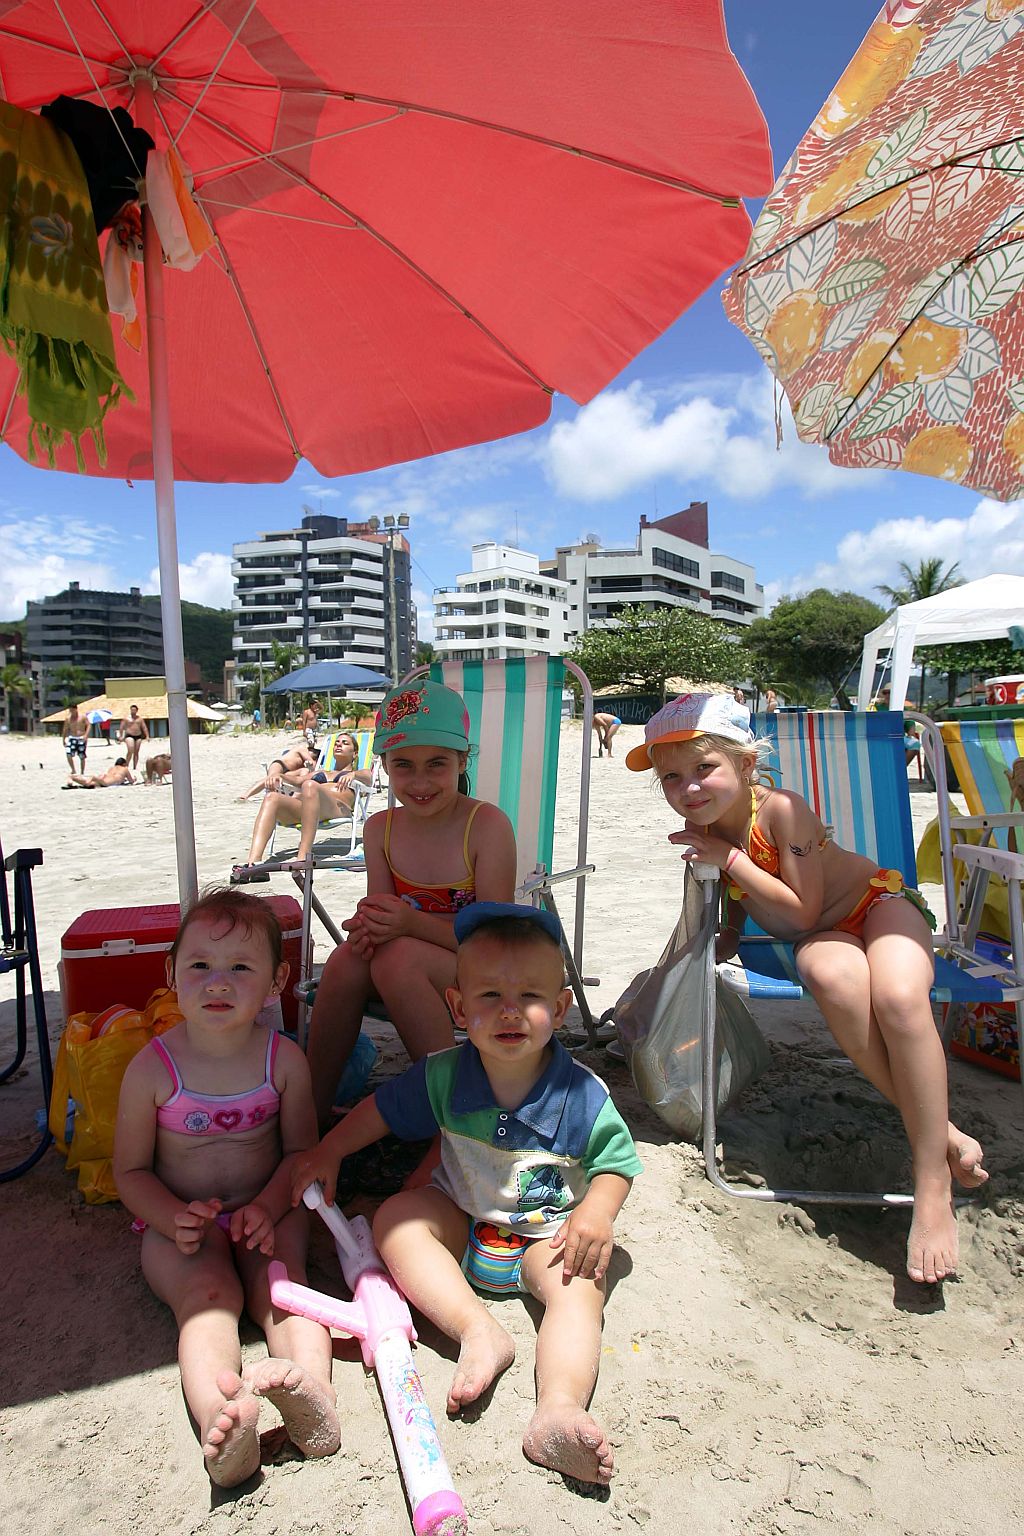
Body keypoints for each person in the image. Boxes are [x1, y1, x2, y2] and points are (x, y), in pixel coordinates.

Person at [625, 691, 988, 1287]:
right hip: (825, 938)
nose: (689, 788)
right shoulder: (705, 823)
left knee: (899, 997)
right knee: (827, 975)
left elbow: (800, 911)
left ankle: (932, 1184)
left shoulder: (783, 811)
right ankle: (941, 1132)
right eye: (672, 778)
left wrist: (729, 862)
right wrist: (731, 929)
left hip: (878, 906)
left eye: (704, 769)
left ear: (745, 764)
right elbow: (758, 907)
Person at [291, 902, 641, 1485]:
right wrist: (330, 1150)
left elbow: (616, 1164)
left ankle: (557, 1409)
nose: (510, 1012)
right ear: (457, 1006)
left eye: (530, 997)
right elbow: (380, 1111)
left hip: (544, 1236)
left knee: (579, 1291)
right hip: (462, 1217)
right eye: (488, 997)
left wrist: (598, 1214)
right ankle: (478, 1330)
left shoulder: (582, 1094)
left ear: (558, 1008)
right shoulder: (445, 1074)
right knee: (398, 1218)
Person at [113, 889, 340, 1488]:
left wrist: (268, 1206)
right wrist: (170, 1217)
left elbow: (300, 1156)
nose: (218, 982)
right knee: (206, 1299)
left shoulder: (284, 1061)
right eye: (200, 966)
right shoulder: (153, 1068)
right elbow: (130, 1173)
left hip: (267, 1205)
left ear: (277, 980)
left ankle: (312, 1396)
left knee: (284, 1290)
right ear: (171, 974)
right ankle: (225, 1418)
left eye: (240, 967)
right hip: (177, 1224)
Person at [303, 678, 517, 1130]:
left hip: (485, 967)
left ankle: (456, 1113)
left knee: (397, 957)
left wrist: (407, 924)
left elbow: (494, 939)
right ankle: (310, 1111)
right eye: (404, 766)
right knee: (344, 960)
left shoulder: (485, 825)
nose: (420, 782)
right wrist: (369, 925)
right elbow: (384, 915)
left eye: (436, 764)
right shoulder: (380, 828)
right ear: (383, 764)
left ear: (462, 760)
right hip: (412, 962)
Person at [232, 733, 373, 875]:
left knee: (310, 785)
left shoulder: (358, 772)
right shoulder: (320, 772)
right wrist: (278, 776)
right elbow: (296, 782)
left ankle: (302, 857)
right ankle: (254, 863)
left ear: (354, 753)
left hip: (337, 807)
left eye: (345, 743)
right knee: (272, 798)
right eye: (337, 742)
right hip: (310, 810)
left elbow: (369, 777)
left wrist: (353, 775)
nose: (338, 744)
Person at [236, 743, 318, 802]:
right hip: (280, 765)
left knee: (305, 771)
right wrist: (311, 764)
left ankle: (295, 798)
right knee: (270, 778)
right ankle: (246, 795)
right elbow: (311, 762)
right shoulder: (302, 748)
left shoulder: (305, 762)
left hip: (287, 773)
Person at [65, 756, 136, 788]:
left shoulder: (112, 768)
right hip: (108, 782)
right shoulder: (125, 769)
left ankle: (72, 778)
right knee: (89, 781)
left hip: (104, 779)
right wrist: (134, 779)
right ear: (124, 764)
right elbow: (131, 781)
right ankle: (72, 778)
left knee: (91, 783)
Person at [119, 703, 149, 769]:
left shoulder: (140, 719)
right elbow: (121, 727)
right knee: (130, 750)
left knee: (136, 752)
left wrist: (147, 736)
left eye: (134, 710)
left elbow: (144, 727)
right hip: (129, 735)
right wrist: (121, 736)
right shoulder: (126, 718)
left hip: (138, 736)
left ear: (137, 710)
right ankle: (126, 765)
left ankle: (135, 767)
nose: (133, 711)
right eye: (132, 710)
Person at [62, 702, 90, 774]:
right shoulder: (68, 719)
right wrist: (63, 739)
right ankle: (73, 769)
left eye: (72, 710)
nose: (71, 712)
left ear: (76, 709)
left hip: (81, 737)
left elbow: (89, 726)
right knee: (68, 753)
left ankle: (82, 772)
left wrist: (86, 735)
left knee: (82, 756)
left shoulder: (83, 717)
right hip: (72, 738)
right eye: (70, 711)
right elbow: (65, 729)